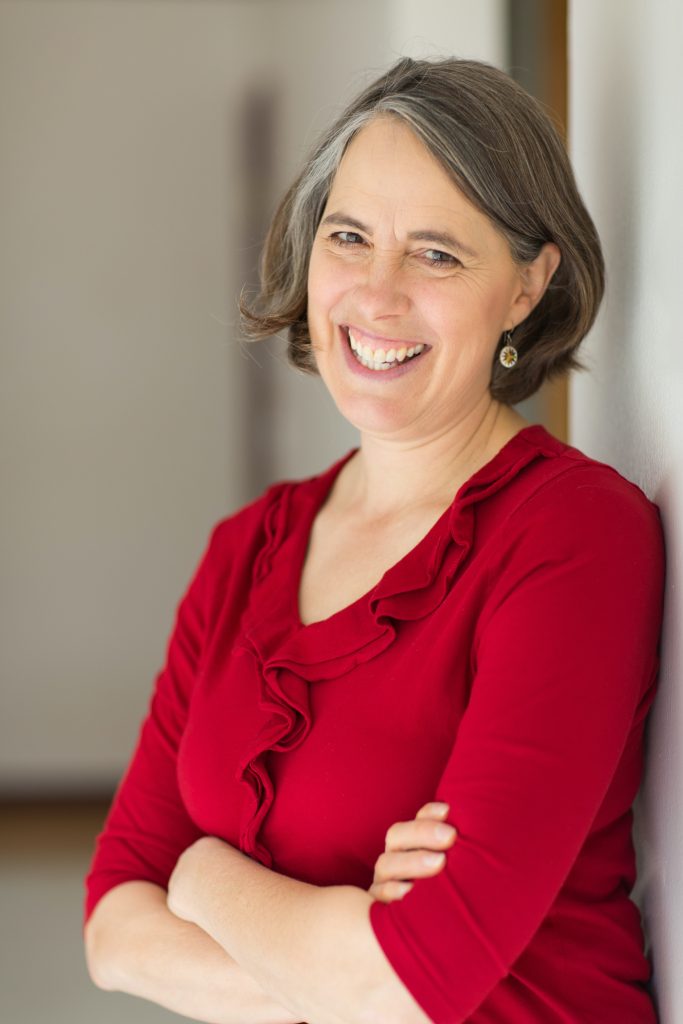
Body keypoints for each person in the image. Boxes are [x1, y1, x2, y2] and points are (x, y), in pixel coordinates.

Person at [83, 57, 665, 1024]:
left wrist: (201, 875)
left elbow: (404, 980)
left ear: (527, 287)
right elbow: (112, 929)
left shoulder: (574, 537)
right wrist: (331, 956)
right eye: (348, 237)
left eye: (437, 254)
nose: (376, 294)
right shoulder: (248, 548)